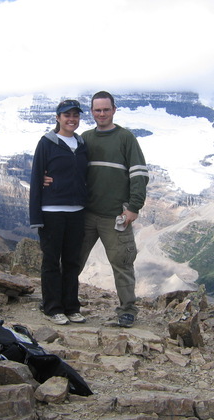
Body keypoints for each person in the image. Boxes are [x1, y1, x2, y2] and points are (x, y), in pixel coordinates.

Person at [80, 91, 149, 328]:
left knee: (122, 264)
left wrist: (134, 207)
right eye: (97, 110)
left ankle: (127, 310)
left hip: (116, 216)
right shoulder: (85, 138)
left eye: (106, 109)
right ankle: (61, 302)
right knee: (72, 260)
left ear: (114, 110)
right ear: (92, 112)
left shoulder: (126, 138)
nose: (101, 114)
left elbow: (139, 174)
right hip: (86, 214)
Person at [29, 99, 88, 325]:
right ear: (58, 118)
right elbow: (36, 179)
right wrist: (36, 217)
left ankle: (72, 307)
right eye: (67, 115)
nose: (71, 119)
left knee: (72, 261)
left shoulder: (81, 144)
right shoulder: (46, 143)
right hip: (52, 211)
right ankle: (52, 307)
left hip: (77, 211)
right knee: (52, 261)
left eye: (75, 115)